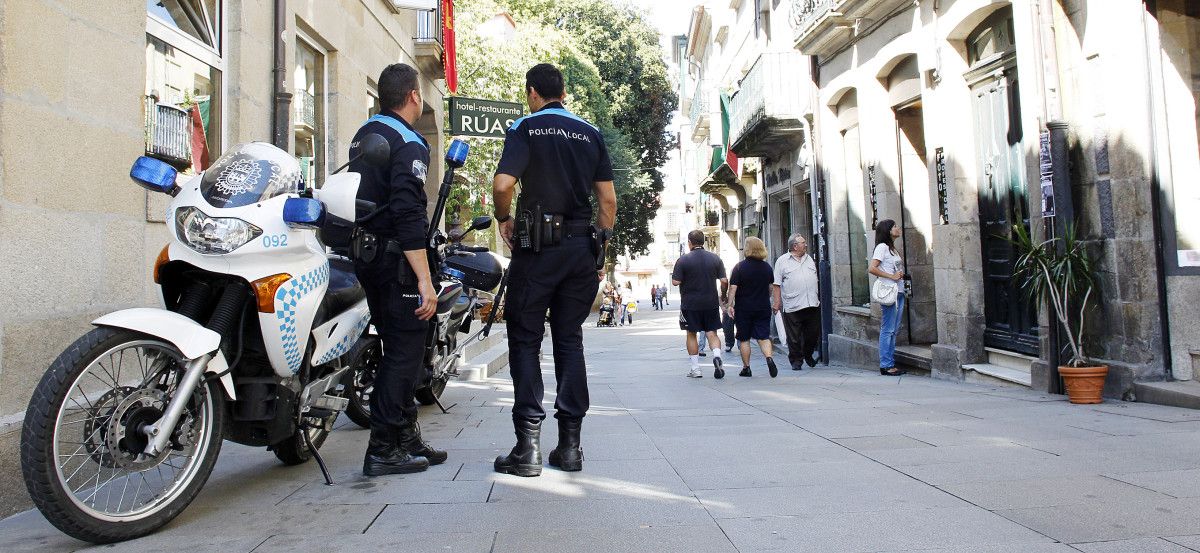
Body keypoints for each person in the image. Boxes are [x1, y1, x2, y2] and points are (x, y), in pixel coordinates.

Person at [492, 63, 617, 476]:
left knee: (525, 338)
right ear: (563, 93)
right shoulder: (590, 133)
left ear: (532, 92)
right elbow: (608, 202)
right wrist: (599, 244)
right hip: (580, 248)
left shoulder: (525, 128)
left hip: (538, 248)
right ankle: (570, 449)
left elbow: (502, 184)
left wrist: (503, 218)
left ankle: (526, 449)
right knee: (569, 341)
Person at [349, 63, 446, 476]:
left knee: (399, 348)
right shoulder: (409, 140)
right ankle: (383, 448)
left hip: (368, 257)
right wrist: (425, 280)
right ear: (412, 96)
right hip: (396, 260)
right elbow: (409, 214)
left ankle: (406, 437)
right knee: (404, 355)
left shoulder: (364, 136)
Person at [672, 230, 728, 378]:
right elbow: (724, 280)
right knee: (712, 333)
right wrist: (723, 295)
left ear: (690, 242)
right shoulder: (715, 258)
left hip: (690, 304)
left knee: (691, 334)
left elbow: (675, 282)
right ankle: (716, 356)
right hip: (710, 302)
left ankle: (696, 369)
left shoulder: (683, 260)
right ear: (703, 241)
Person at [729, 237, 778, 377]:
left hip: (743, 308)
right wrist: (765, 298)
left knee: (744, 338)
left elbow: (733, 288)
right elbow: (770, 288)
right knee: (763, 336)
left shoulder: (739, 267)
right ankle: (769, 358)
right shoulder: (767, 267)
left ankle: (746, 368)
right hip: (762, 307)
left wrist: (729, 304)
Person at [772, 234, 821, 371]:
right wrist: (776, 303)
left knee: (812, 334)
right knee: (794, 338)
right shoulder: (782, 261)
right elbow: (777, 284)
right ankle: (796, 360)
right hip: (793, 304)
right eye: (803, 242)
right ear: (795, 246)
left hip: (812, 303)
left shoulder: (809, 258)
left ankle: (808, 354)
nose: (805, 244)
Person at [870, 220, 907, 376]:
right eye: (894, 227)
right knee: (888, 329)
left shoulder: (892, 249)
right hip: (890, 292)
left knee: (893, 329)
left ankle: (890, 362)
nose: (898, 228)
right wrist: (892, 276)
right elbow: (872, 268)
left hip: (898, 291)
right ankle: (886, 365)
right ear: (888, 231)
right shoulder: (882, 248)